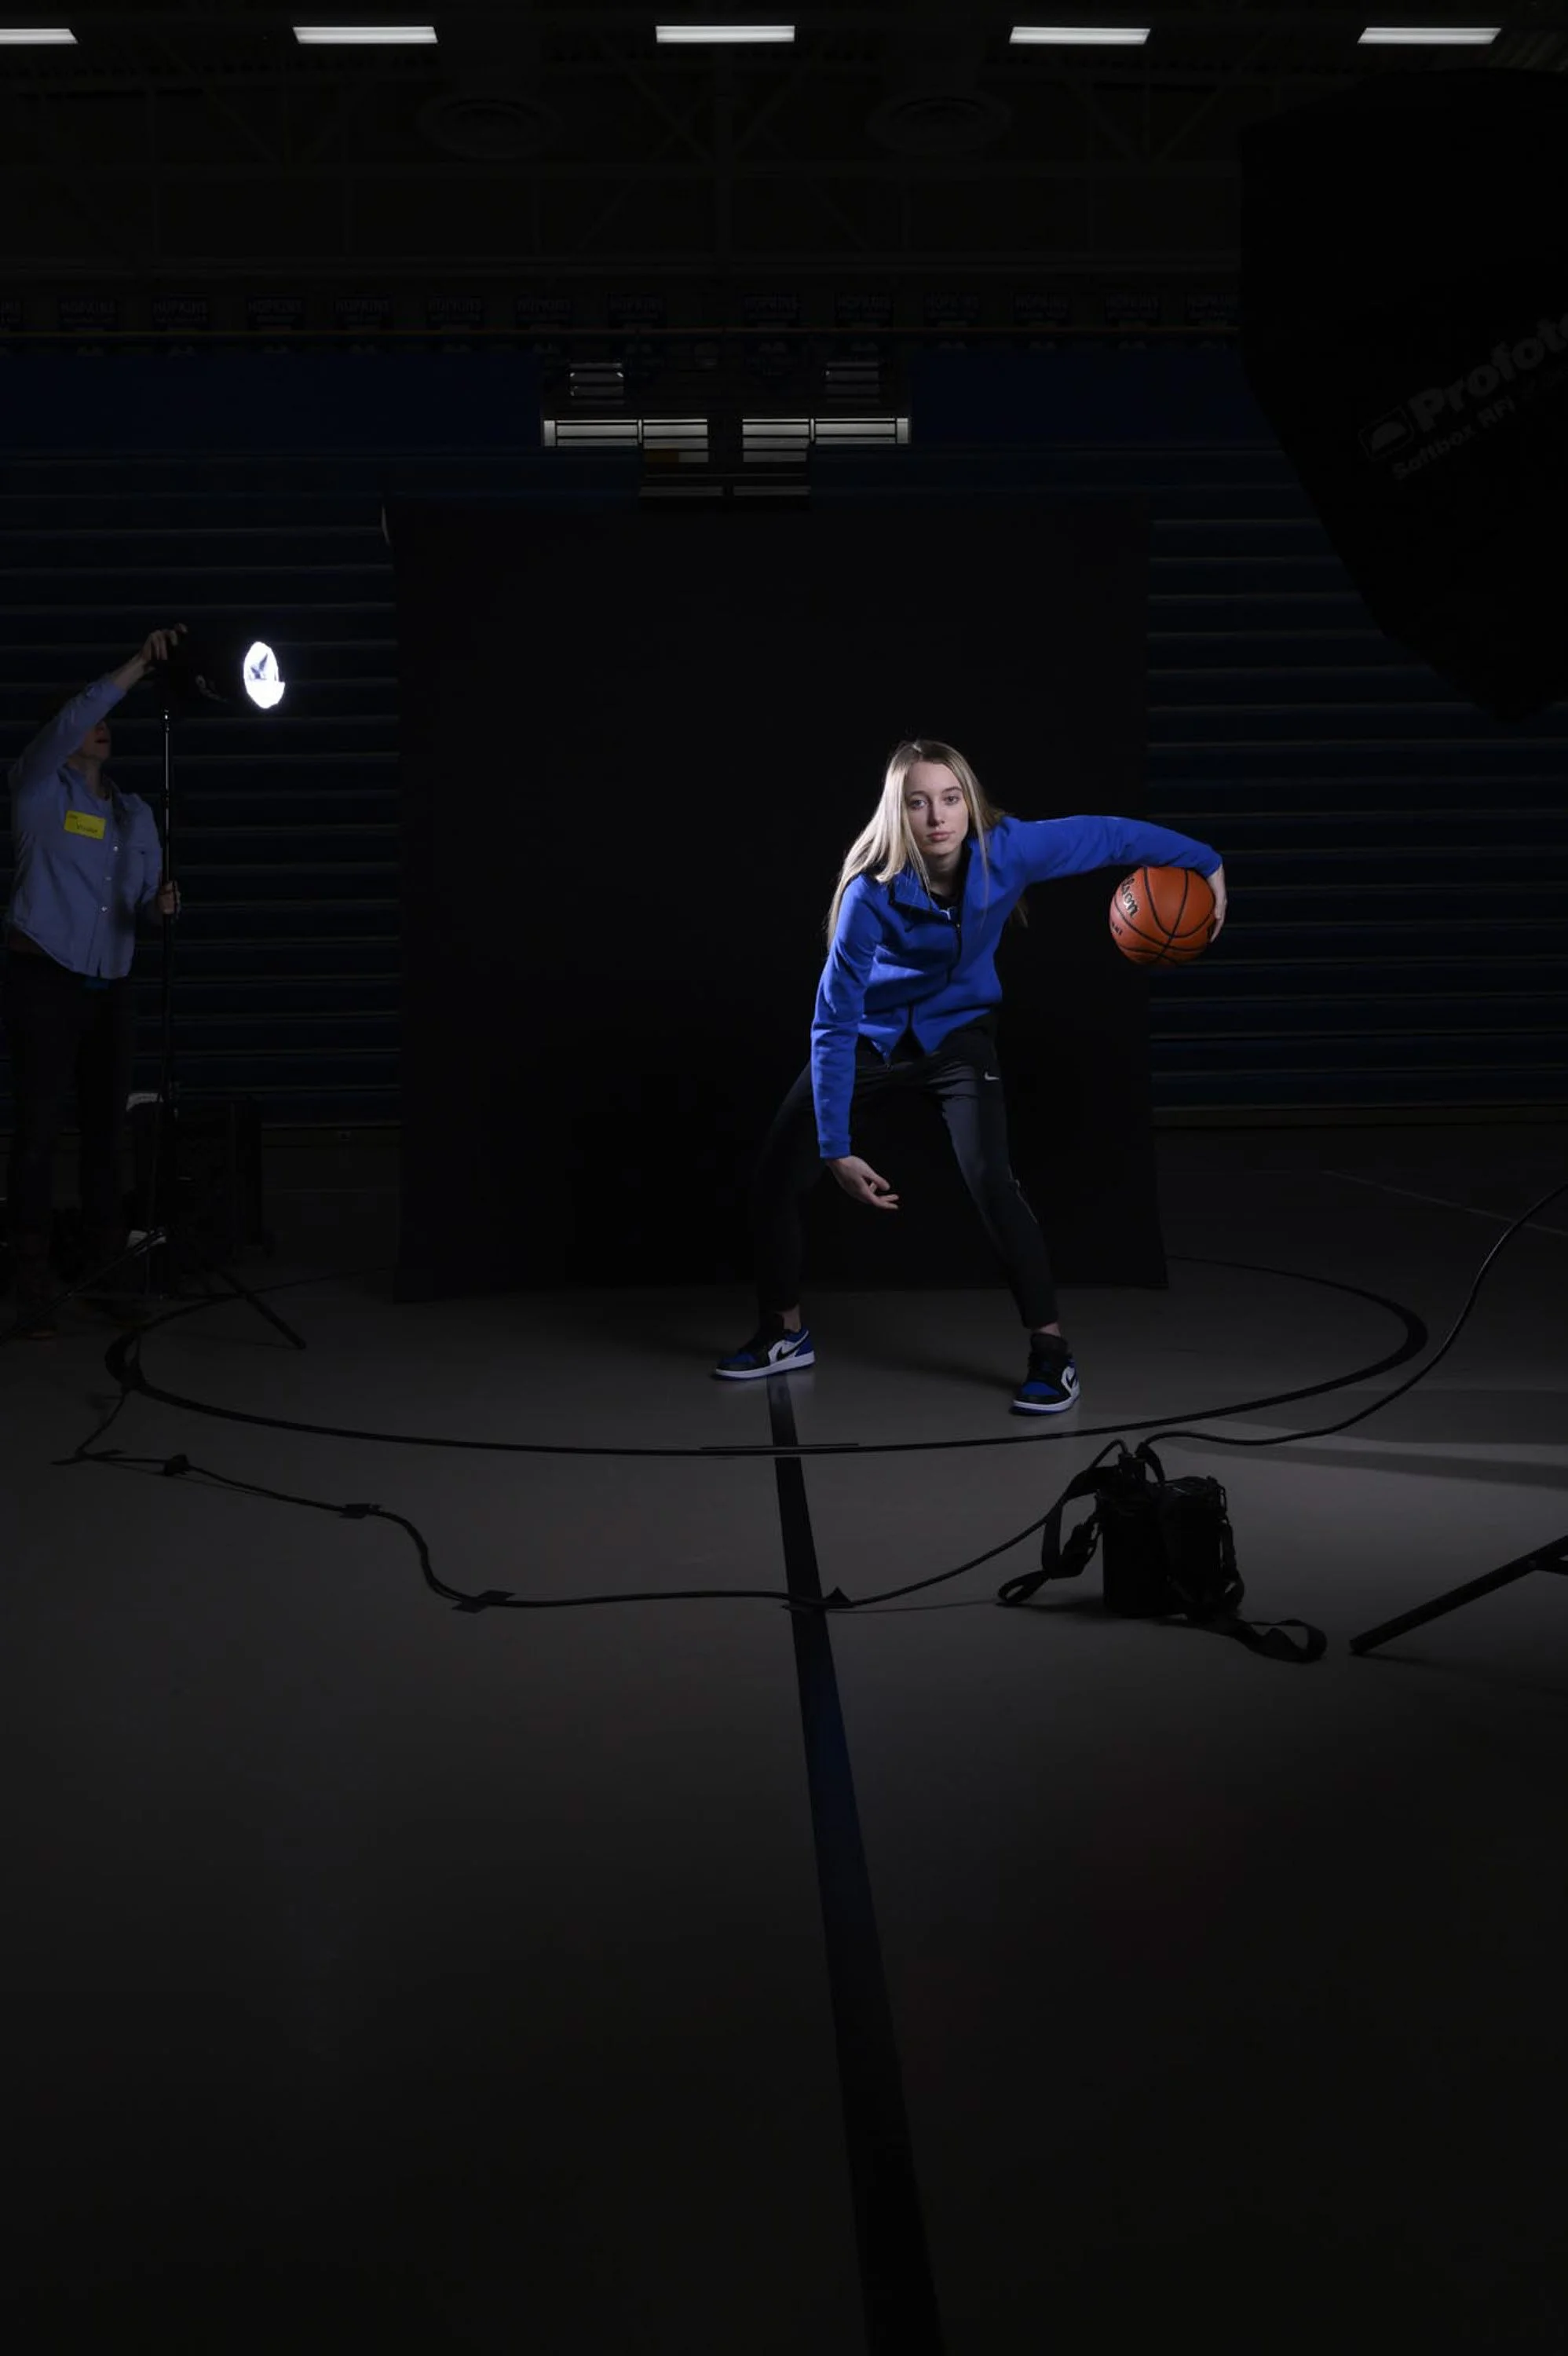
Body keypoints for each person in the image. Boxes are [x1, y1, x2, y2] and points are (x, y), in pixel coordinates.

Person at [712, 737, 1226, 1414]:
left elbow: (1107, 837)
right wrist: (836, 1149)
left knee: (993, 1183)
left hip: (957, 1039)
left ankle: (1051, 1356)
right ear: (897, 812)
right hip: (869, 1040)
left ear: (969, 802)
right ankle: (784, 1334)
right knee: (776, 1180)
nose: (937, 817)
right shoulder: (869, 894)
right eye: (918, 802)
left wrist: (1207, 863)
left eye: (950, 798)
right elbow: (833, 1022)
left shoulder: (1008, 850)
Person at [3, 625, 188, 1337]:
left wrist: (160, 910)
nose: (101, 728)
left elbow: (138, 907)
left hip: (111, 986)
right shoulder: (35, 790)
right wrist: (140, 663)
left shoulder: (134, 814)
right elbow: (76, 715)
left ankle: (104, 1265)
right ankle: (30, 1270)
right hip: (43, 980)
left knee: (107, 1133)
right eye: (91, 720)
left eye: (109, 723)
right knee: (39, 1129)